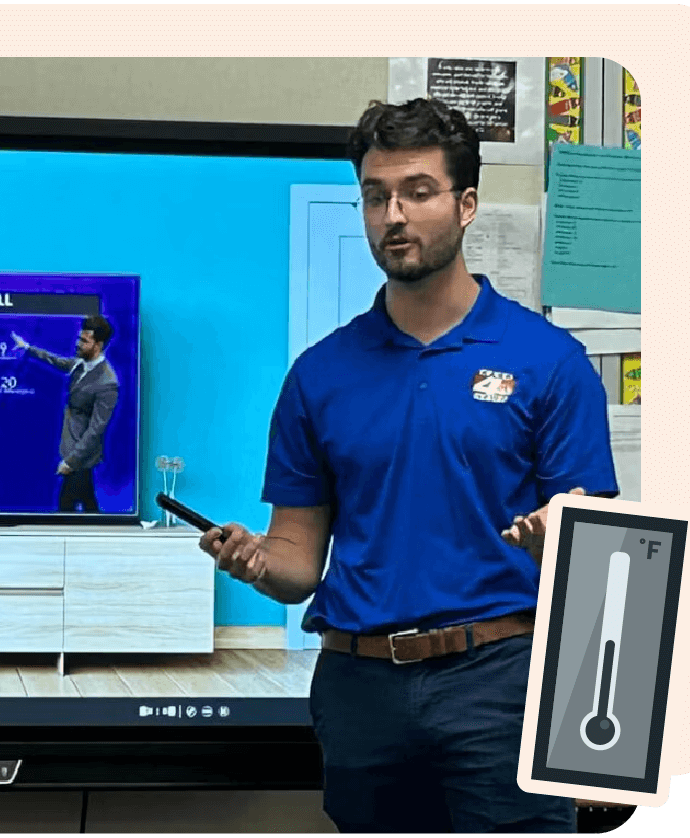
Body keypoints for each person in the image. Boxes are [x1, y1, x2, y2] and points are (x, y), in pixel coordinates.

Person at [198, 98, 618, 834]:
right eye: (374, 195)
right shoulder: (319, 375)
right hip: (361, 689)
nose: (393, 213)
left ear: (464, 206)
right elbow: (299, 562)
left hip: (499, 682)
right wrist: (255, 561)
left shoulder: (549, 363)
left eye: (417, 192)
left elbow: (599, 560)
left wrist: (566, 538)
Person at [12, 315, 119, 513]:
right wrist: (28, 348)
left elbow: (96, 430)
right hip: (71, 449)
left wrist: (71, 461)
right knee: (88, 504)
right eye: (79, 338)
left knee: (66, 509)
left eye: (84, 341)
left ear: (98, 345)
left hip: (81, 456)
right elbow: (58, 361)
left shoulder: (107, 383)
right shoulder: (80, 364)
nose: (78, 344)